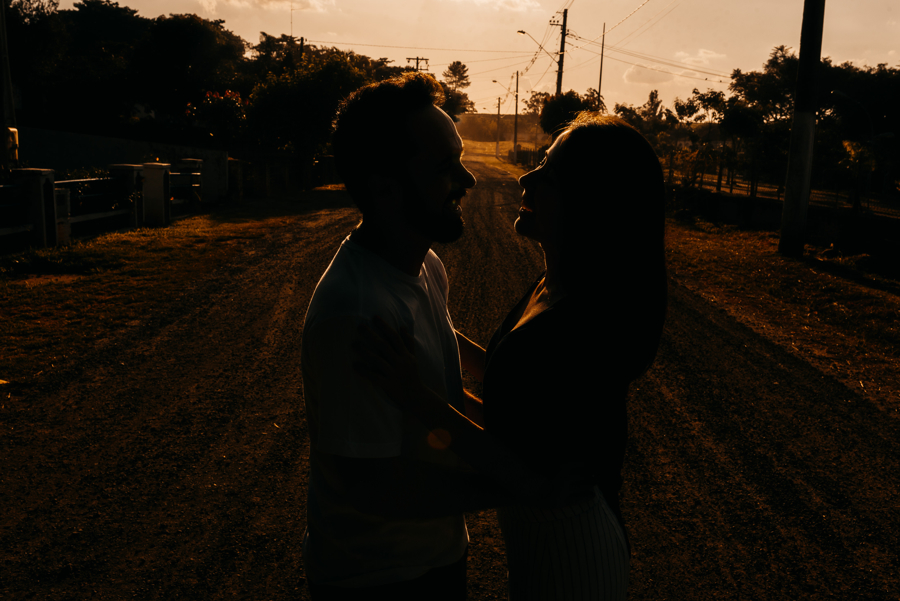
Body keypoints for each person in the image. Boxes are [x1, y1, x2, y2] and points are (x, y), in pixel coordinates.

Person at [354, 112, 667, 600]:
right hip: (543, 535)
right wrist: (432, 323)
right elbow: (513, 405)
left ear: (588, 203)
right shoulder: (555, 286)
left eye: (549, 174)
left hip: (573, 544)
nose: (527, 177)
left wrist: (414, 397)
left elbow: (508, 457)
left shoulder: (581, 321)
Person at [301, 71, 533, 600]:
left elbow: (443, 365)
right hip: (379, 580)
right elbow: (370, 485)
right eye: (443, 167)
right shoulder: (356, 314)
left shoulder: (422, 263)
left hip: (434, 559)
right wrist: (514, 485)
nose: (467, 180)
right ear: (385, 187)